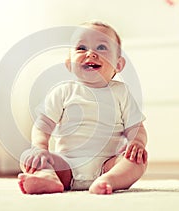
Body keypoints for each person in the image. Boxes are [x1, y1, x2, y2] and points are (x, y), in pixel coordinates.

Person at [17, 21, 148, 195]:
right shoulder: (63, 91)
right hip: (66, 165)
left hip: (108, 165)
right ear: (69, 64)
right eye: (81, 48)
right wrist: (40, 148)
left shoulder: (121, 92)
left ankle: (109, 180)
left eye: (101, 47)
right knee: (28, 157)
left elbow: (136, 127)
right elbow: (43, 124)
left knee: (138, 160)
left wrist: (137, 143)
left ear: (118, 64)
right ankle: (49, 177)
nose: (91, 53)